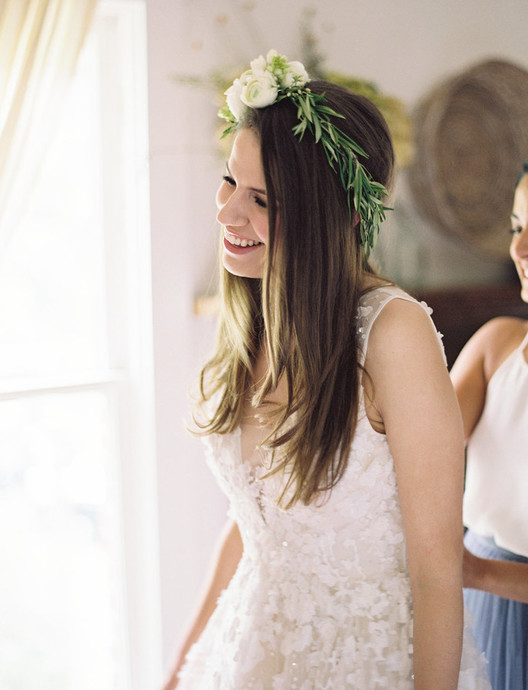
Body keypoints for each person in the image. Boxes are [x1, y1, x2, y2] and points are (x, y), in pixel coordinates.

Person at [162, 50, 489, 689]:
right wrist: (179, 670)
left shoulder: (392, 334)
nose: (229, 214)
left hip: (366, 662)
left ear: (323, 214)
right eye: (230, 182)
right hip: (249, 651)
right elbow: (252, 524)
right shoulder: (253, 315)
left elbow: (435, 568)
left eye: (262, 200)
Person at [451, 142, 528, 690]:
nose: (521, 247)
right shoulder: (494, 346)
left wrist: (478, 571)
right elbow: (406, 459)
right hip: (468, 617)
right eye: (517, 226)